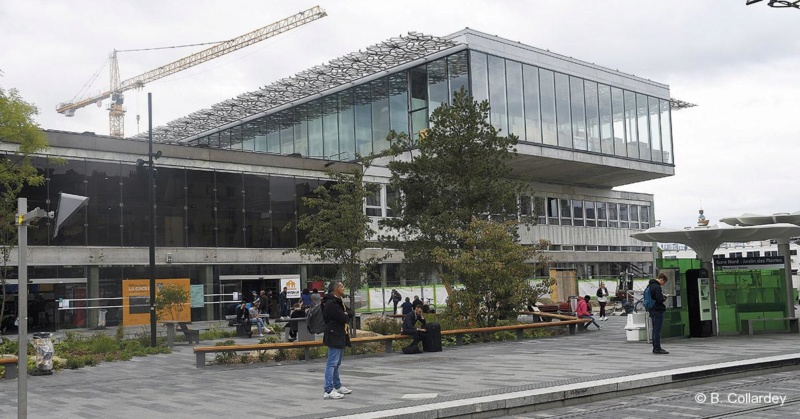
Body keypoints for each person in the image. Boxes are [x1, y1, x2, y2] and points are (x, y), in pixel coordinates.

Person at [322, 281, 354, 400]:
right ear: (336, 289)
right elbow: (343, 317)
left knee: (337, 363)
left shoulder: (338, 301)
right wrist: (346, 314)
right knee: (332, 363)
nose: (343, 288)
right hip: (334, 335)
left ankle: (337, 385)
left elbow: (351, 312)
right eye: (341, 286)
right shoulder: (330, 303)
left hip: (340, 334)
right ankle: (328, 389)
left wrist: (346, 313)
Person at [649, 273, 670, 354]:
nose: (663, 284)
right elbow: (659, 300)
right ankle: (657, 348)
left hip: (651, 309)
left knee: (654, 329)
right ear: (661, 279)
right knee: (657, 330)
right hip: (657, 310)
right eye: (663, 282)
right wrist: (665, 297)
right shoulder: (657, 287)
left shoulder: (650, 285)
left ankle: (655, 347)